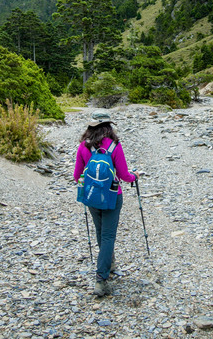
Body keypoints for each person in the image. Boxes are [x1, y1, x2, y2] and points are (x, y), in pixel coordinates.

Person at [74, 109, 139, 297]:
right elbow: (125, 176)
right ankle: (101, 280)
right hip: (112, 196)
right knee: (108, 236)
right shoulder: (115, 146)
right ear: (109, 126)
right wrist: (135, 175)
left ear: (91, 125)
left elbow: (77, 176)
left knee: (101, 232)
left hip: (92, 196)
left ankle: (108, 264)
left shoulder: (83, 146)